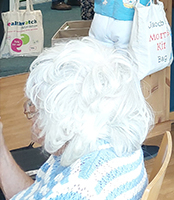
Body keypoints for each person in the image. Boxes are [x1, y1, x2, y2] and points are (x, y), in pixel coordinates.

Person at [0, 37, 153, 200]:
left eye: (36, 109)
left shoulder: (77, 189)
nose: (29, 115)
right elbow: (33, 193)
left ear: (64, 121)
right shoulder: (113, 135)